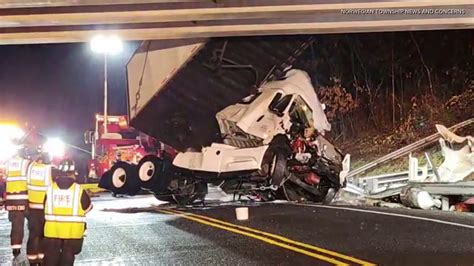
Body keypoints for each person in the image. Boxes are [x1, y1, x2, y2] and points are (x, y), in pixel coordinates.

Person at [43, 159, 92, 266]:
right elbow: (88, 208)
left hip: (52, 232)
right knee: (68, 257)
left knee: (51, 258)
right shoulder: (79, 190)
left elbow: (44, 206)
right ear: (73, 172)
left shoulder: (50, 189)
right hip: (73, 233)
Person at [26, 152, 53, 265]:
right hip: (45, 208)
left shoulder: (31, 167)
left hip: (32, 207)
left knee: (33, 235)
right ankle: (42, 258)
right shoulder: (49, 169)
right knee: (43, 234)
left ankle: (32, 259)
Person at [4, 150, 30, 258]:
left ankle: (16, 248)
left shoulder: (7, 163)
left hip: (11, 199)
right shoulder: (26, 163)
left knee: (16, 225)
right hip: (25, 198)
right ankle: (36, 251)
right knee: (35, 225)